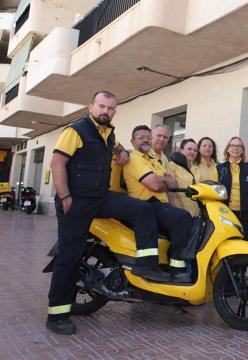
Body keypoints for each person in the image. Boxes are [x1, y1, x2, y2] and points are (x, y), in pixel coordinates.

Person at [46, 91, 169, 335]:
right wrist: (66, 197)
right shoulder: (76, 131)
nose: (106, 111)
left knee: (142, 209)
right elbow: (56, 163)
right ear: (90, 106)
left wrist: (122, 151)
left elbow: (115, 145)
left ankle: (145, 265)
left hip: (100, 197)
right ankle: (56, 315)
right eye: (101, 106)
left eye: (111, 108)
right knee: (70, 256)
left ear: (115, 111)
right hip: (76, 201)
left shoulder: (108, 132)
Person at [124, 125, 194, 283]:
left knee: (186, 220)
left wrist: (160, 180)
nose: (146, 140)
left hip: (159, 204)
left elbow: (172, 182)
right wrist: (162, 180)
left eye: (148, 137)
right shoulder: (133, 158)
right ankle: (176, 268)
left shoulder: (151, 160)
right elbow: (156, 186)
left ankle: (170, 264)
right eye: (141, 137)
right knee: (182, 217)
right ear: (132, 141)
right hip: (147, 204)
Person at [217, 137, 248, 241]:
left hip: (246, 216)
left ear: (242, 150)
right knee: (228, 245)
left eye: (238, 146)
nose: (235, 148)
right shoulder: (219, 168)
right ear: (228, 149)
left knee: (246, 244)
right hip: (226, 215)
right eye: (232, 145)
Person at [167, 139, 201, 216]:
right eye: (189, 149)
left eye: (195, 150)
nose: (192, 152)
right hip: (179, 211)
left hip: (195, 212)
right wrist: (173, 210)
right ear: (181, 150)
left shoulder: (196, 169)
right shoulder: (172, 166)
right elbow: (169, 190)